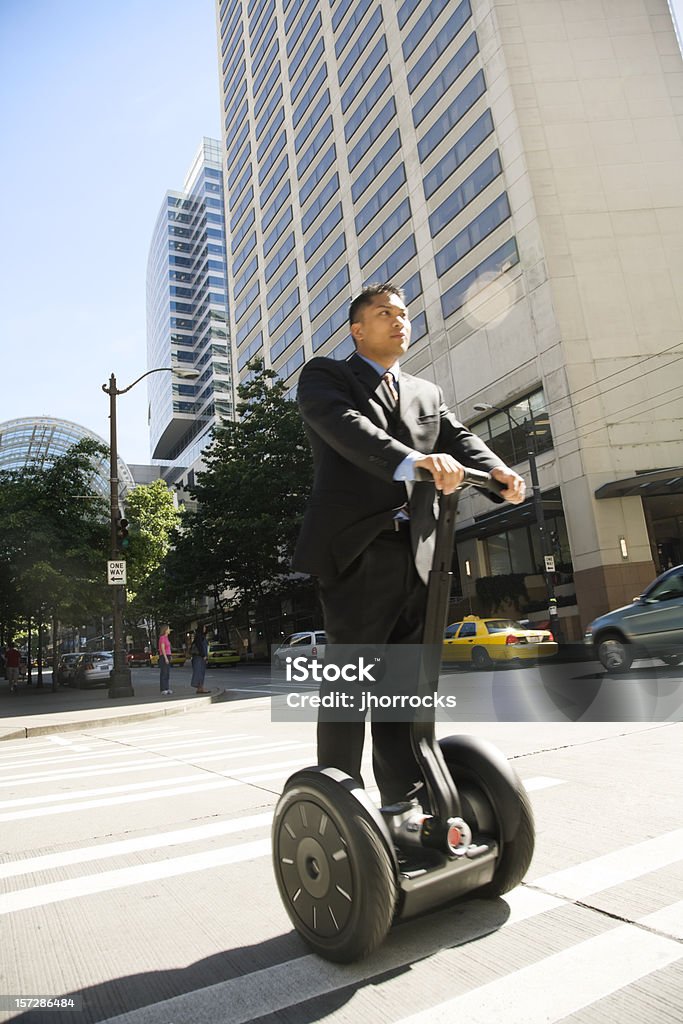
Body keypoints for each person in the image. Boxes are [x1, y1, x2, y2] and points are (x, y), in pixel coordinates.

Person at [292, 282, 526, 808]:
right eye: (384, 313)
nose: (400, 320)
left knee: (405, 693)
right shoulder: (327, 377)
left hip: (421, 556)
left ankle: (405, 805)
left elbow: (460, 439)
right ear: (357, 329)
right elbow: (345, 427)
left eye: (404, 313)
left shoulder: (426, 393)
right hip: (359, 552)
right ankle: (339, 804)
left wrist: (498, 472)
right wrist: (413, 461)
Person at [190, 625, 210, 694]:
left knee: (201, 672)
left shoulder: (202, 636)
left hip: (200, 657)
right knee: (199, 672)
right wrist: (203, 655)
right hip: (199, 657)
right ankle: (200, 687)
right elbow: (200, 647)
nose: (205, 629)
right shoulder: (199, 636)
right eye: (204, 627)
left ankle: (200, 688)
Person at [158, 625, 172, 695]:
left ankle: (167, 688)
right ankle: (163, 689)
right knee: (164, 673)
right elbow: (163, 648)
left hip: (168, 655)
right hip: (164, 656)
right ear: (165, 630)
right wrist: (166, 657)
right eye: (169, 629)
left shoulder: (166, 638)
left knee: (167, 673)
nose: (170, 630)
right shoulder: (162, 638)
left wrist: (169, 656)